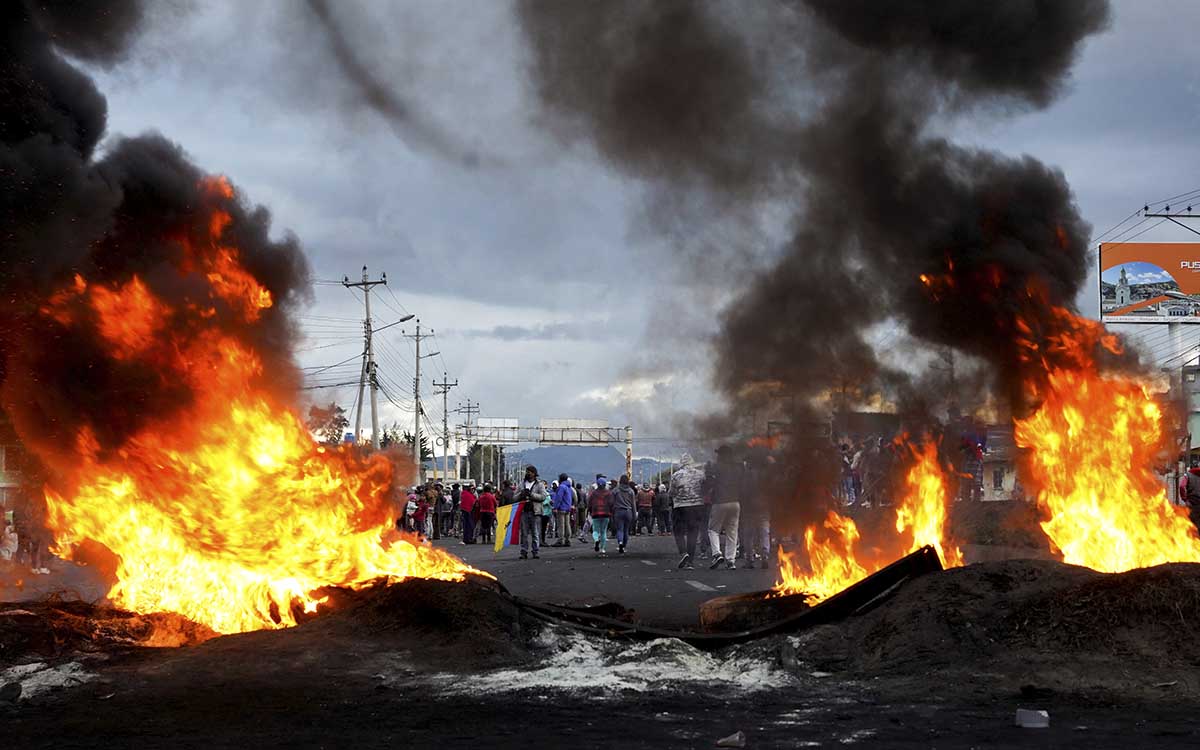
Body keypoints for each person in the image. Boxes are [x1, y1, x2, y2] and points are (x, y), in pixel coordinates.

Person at [707, 445, 743, 570]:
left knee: (713, 530)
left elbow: (709, 483)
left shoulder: (716, 467)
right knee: (732, 532)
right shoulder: (738, 468)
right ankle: (731, 560)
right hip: (735, 502)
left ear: (721, 455)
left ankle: (717, 554)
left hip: (720, 502)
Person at [669, 455, 705, 569]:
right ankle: (690, 561)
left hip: (680, 506)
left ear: (682, 463)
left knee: (678, 530)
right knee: (693, 532)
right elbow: (705, 489)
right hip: (697, 505)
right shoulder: (701, 474)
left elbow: (672, 492)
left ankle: (683, 552)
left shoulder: (676, 475)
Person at [518, 465, 547, 560]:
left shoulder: (539, 484)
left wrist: (532, 495)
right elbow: (514, 497)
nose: (528, 473)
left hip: (535, 512)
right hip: (524, 511)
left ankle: (535, 551)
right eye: (527, 472)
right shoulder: (522, 484)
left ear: (534, 474)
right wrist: (521, 495)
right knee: (524, 533)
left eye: (529, 472)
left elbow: (543, 497)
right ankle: (524, 551)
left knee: (535, 533)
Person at [587, 474, 614, 554]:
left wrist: (589, 511)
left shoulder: (593, 493)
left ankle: (596, 540)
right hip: (606, 514)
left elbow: (590, 503)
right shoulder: (609, 493)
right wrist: (611, 511)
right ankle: (602, 549)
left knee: (595, 530)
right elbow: (611, 503)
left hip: (596, 513)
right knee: (603, 531)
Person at [551, 474, 574, 547]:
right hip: (568, 508)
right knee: (567, 524)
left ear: (560, 479)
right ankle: (568, 540)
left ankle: (560, 540)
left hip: (561, 508)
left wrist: (555, 507)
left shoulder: (561, 487)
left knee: (561, 525)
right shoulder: (569, 487)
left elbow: (559, 498)